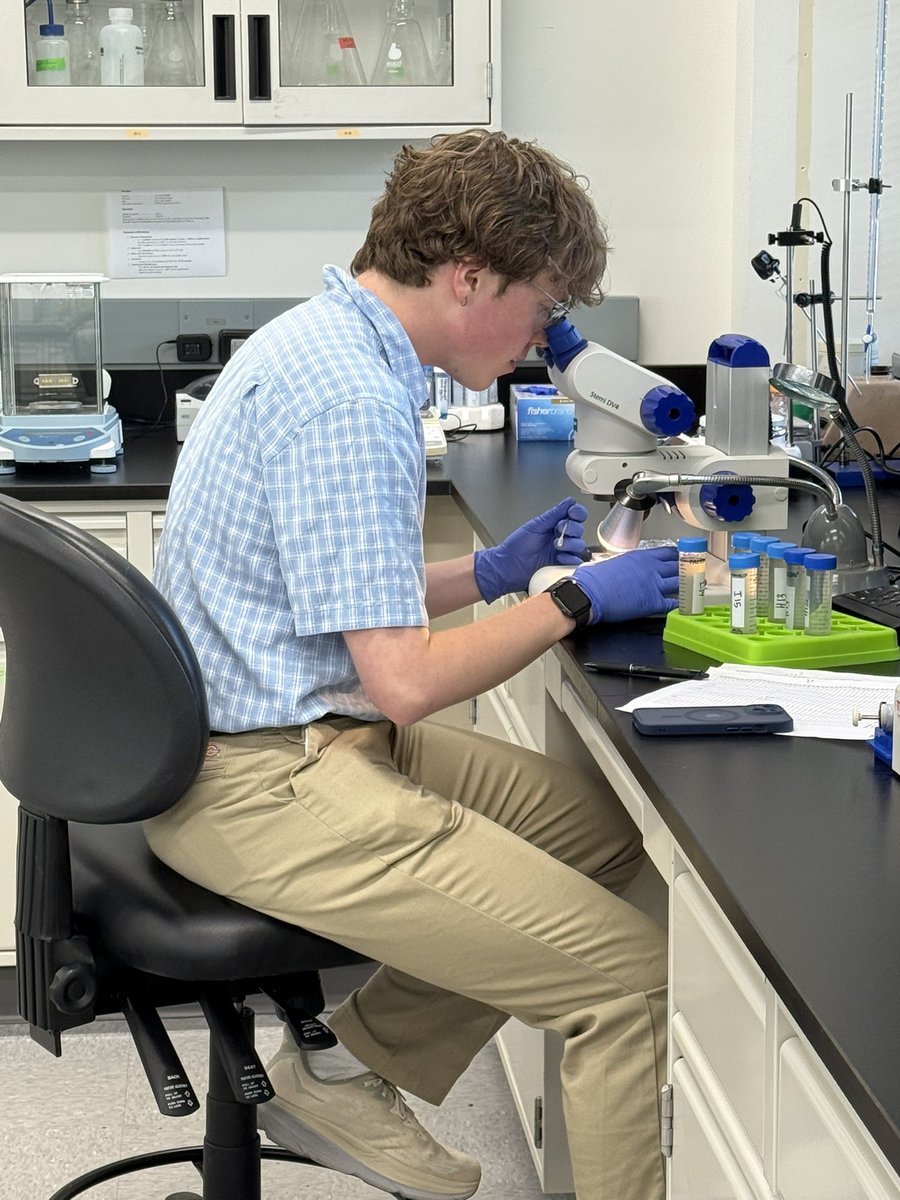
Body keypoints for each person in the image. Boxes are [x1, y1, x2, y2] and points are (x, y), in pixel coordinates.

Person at [144, 129, 678, 1200]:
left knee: (606, 834)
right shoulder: (352, 401)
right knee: (629, 985)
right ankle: (347, 1076)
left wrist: (487, 573)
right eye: (542, 305)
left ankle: (347, 1067)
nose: (541, 337)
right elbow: (407, 682)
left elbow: (320, 587)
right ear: (469, 276)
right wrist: (573, 600)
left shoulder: (320, 339)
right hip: (262, 780)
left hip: (283, 731)